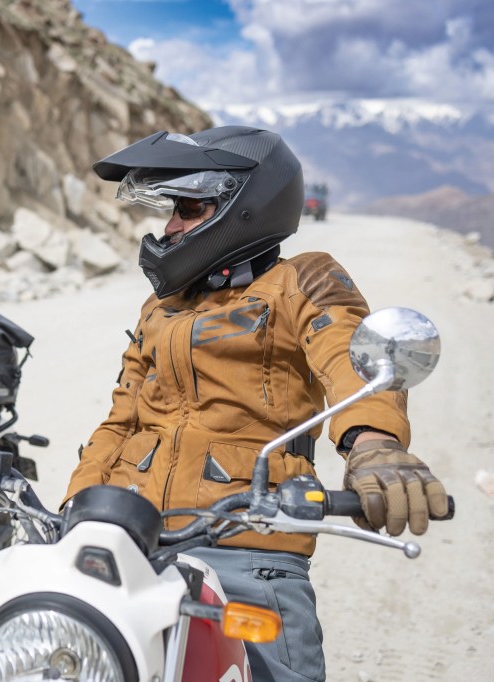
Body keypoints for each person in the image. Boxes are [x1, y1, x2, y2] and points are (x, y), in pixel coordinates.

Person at [63, 126, 449, 681]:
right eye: (173, 209)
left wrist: (374, 444)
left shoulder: (302, 278)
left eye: (189, 209)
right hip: (129, 535)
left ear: (244, 207)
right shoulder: (161, 305)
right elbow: (121, 417)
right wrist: (75, 511)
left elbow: (349, 357)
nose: (170, 226)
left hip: (247, 542)